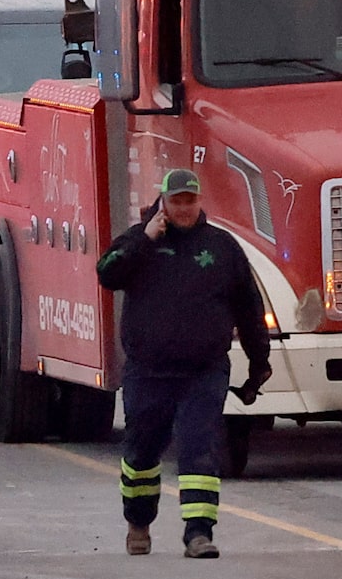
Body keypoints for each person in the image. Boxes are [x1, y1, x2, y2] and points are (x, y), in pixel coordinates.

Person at [95, 168, 272, 558]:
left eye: (190, 200)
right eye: (176, 201)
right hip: (148, 372)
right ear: (163, 203)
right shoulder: (139, 242)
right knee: (142, 453)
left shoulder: (222, 248)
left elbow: (248, 308)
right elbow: (107, 273)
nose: (184, 208)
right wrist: (145, 239)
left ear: (199, 201)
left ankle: (198, 534)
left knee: (199, 448)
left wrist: (260, 362)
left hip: (203, 372)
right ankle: (138, 524)